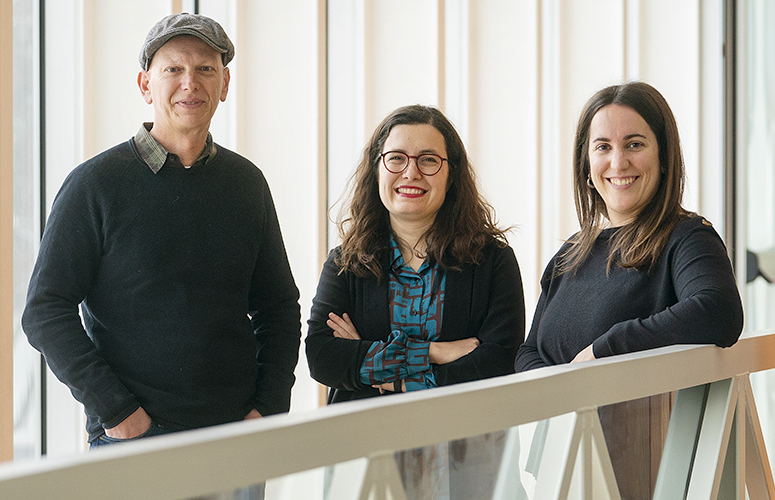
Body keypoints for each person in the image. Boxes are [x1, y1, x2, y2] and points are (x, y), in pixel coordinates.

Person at [22, 13, 301, 453]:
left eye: (205, 69)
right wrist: (117, 412)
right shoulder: (95, 185)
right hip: (133, 440)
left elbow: (279, 308)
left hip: (234, 438)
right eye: (173, 69)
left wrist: (267, 409)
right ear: (145, 85)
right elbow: (44, 310)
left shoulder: (247, 184)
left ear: (224, 85)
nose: (190, 82)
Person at [515, 81, 743, 499]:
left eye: (634, 143)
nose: (617, 161)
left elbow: (718, 311)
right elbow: (528, 351)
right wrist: (564, 395)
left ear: (663, 155)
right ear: (586, 163)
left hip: (647, 466)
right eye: (602, 146)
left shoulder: (687, 236)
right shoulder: (572, 253)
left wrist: (604, 351)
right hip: (560, 465)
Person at [306, 104, 525, 498]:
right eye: (396, 159)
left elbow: (497, 362)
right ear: (377, 169)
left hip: (467, 463)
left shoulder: (492, 261)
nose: (411, 173)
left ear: (451, 173)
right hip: (363, 462)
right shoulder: (346, 261)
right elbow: (323, 357)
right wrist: (438, 353)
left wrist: (378, 371)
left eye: (428, 161)